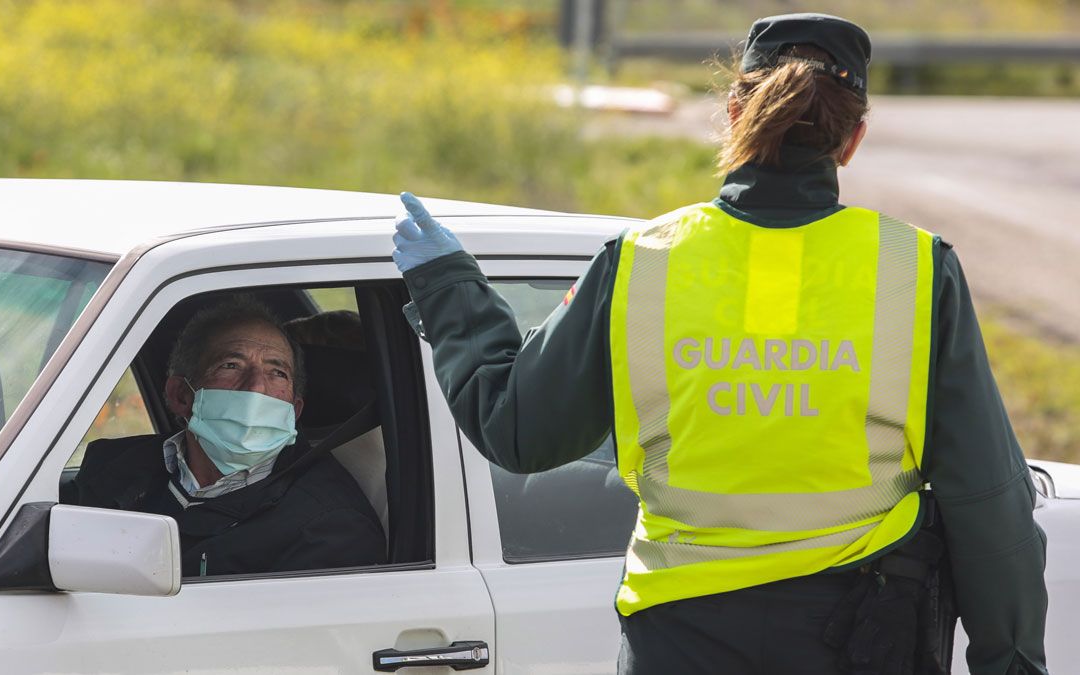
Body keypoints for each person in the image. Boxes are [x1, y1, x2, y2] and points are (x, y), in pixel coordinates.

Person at [392, 13, 1047, 675]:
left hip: (678, 643)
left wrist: (448, 285)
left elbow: (518, 429)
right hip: (861, 637)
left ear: (735, 112)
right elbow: (988, 500)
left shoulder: (642, 260)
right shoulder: (915, 269)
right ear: (852, 139)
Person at [68, 296, 386, 576]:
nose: (256, 387)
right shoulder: (112, 467)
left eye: (277, 372)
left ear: (295, 409)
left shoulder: (329, 528)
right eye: (231, 365)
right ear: (181, 395)